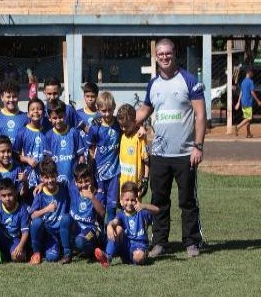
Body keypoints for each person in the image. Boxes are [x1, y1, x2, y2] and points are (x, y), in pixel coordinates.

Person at [135, 38, 206, 258]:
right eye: (160, 54)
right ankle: (159, 242)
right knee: (159, 200)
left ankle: (191, 242)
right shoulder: (153, 84)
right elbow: (143, 112)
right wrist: (123, 122)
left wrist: (198, 146)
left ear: (175, 55)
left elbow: (201, 114)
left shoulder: (189, 80)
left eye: (168, 53)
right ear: (156, 57)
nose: (164, 57)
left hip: (185, 154)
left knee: (187, 201)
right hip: (159, 155)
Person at [94, 181, 160, 268]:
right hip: (126, 246)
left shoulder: (142, 213)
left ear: (137, 199)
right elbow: (114, 222)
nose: (129, 203)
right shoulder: (121, 214)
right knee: (118, 229)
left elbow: (157, 210)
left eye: (132, 200)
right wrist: (109, 226)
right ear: (121, 201)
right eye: (127, 200)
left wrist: (144, 206)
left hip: (139, 246)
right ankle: (107, 257)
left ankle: (138, 257)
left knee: (138, 257)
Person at [86, 91, 121, 221]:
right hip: (99, 174)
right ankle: (100, 238)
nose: (107, 114)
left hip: (114, 173)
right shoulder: (95, 127)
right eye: (103, 111)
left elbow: (132, 125)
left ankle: (110, 240)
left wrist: (140, 128)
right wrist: (90, 171)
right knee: (99, 208)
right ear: (98, 109)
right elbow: (90, 150)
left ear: (114, 107)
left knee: (112, 209)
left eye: (110, 110)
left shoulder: (119, 124)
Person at [29, 159, 71, 265]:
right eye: (46, 177)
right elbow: (33, 216)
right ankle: (36, 253)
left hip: (62, 230)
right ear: (41, 178)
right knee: (37, 223)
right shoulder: (40, 193)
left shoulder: (63, 187)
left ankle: (66, 252)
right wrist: (47, 209)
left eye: (52, 176)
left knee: (66, 218)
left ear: (57, 175)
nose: (50, 180)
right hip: (48, 233)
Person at [60, 163, 106, 260]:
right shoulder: (73, 188)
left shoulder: (98, 194)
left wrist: (91, 197)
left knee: (80, 241)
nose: (84, 185)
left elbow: (102, 213)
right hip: (76, 227)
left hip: (91, 229)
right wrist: (42, 184)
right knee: (65, 218)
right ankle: (67, 253)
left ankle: (93, 250)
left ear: (92, 179)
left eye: (87, 181)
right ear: (76, 182)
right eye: (80, 182)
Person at [45, 100, 85, 185]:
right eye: (55, 118)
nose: (58, 120)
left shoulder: (74, 133)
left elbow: (81, 157)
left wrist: (80, 177)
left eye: (60, 117)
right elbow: (48, 160)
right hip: (56, 182)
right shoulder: (48, 136)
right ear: (49, 118)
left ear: (65, 116)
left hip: (73, 181)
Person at [0, 178, 30, 264]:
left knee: (18, 257)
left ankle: (7, 255)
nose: (7, 198)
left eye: (10, 194)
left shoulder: (22, 210)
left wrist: (20, 246)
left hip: (14, 240)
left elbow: (25, 232)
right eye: (4, 196)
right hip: (0, 238)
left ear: (15, 192)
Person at [13, 97, 49, 191]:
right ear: (28, 114)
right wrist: (27, 159)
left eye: (39, 109)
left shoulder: (48, 131)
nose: (36, 111)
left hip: (45, 176)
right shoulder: (22, 132)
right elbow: (14, 154)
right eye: (32, 109)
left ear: (44, 113)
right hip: (28, 176)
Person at [0, 80, 28, 154]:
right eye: (8, 97)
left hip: (18, 164)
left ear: (18, 96)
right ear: (2, 97)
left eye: (14, 96)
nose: (11, 100)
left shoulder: (25, 118)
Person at [116, 103, 149, 197]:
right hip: (122, 186)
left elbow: (146, 161)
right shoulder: (121, 136)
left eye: (126, 126)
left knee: (135, 210)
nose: (123, 128)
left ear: (134, 122)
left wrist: (145, 179)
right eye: (121, 126)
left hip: (135, 187)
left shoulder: (140, 137)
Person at [235, 67, 260, 138]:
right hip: (248, 102)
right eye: (252, 73)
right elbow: (252, 92)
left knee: (247, 118)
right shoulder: (250, 81)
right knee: (249, 118)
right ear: (249, 73)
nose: (253, 74)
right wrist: (258, 101)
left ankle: (248, 133)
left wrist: (238, 102)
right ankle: (238, 127)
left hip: (243, 102)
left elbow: (241, 92)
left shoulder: (243, 82)